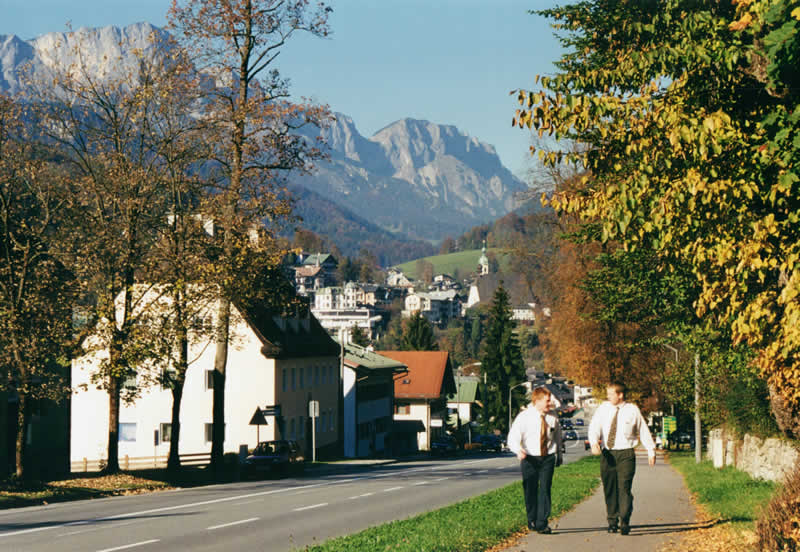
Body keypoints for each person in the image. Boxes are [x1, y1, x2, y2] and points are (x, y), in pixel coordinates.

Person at [588, 381, 656, 536]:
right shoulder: (603, 409)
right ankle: (612, 521)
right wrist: (594, 443)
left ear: (620, 395)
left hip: (626, 454)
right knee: (610, 488)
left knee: (624, 487)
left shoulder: (632, 410)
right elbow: (594, 426)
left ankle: (624, 520)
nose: (608, 396)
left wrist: (651, 450)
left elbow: (643, 430)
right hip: (608, 454)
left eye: (611, 393)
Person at [507, 386, 563, 534]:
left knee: (545, 489)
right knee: (530, 489)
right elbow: (512, 437)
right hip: (529, 457)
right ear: (537, 401)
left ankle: (542, 523)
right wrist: (518, 450)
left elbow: (557, 436)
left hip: (548, 457)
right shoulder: (524, 417)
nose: (549, 403)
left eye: (550, 400)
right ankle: (531, 519)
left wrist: (559, 454)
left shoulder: (552, 417)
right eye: (546, 401)